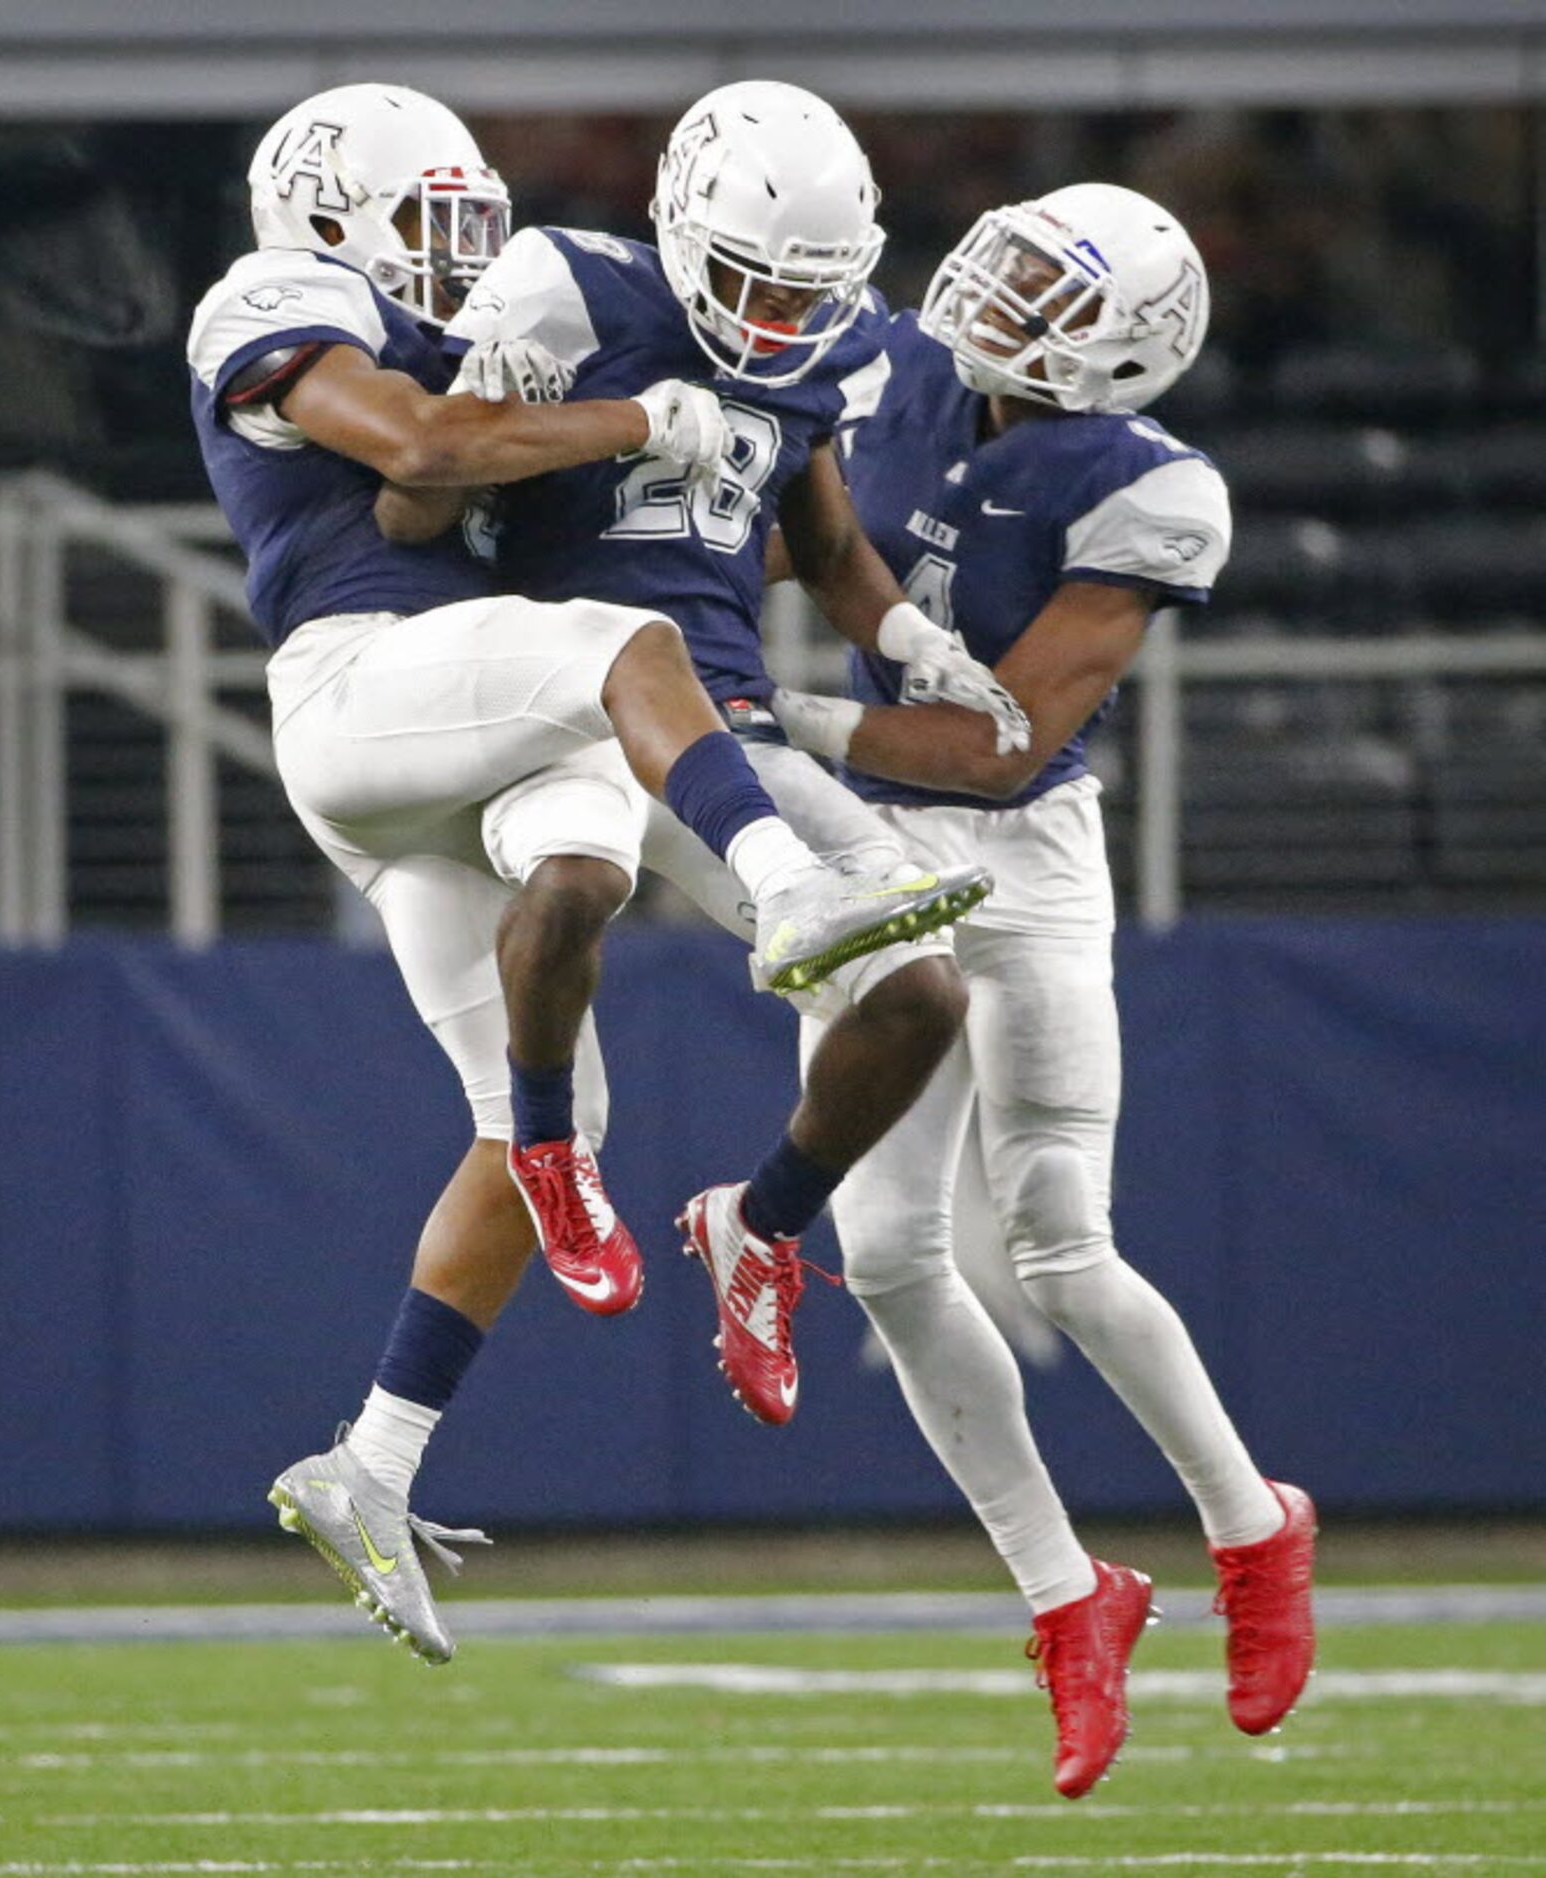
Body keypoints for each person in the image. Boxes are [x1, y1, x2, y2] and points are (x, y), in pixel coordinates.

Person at [189, 82, 990, 1665]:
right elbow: (422, 457)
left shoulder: (543, 321)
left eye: (469, 220)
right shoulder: (277, 302)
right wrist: (634, 416)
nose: (457, 251)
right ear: (326, 221)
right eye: (423, 223)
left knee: (555, 1022)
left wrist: (892, 622)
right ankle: (791, 886)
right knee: (620, 657)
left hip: (480, 723)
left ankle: (373, 1459)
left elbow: (703, 506)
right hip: (370, 688)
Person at [759, 183, 1317, 1798]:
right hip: (868, 844)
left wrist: (764, 718)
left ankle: (1250, 1526)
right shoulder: (890, 361)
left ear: (1120, 356)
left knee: (1063, 1234)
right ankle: (1073, 1597)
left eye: (1042, 294)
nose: (990, 296)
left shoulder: (1152, 491)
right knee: (883, 1249)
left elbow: (994, 739)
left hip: (1020, 842)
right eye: (1007, 263)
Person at [417, 81, 1029, 1431]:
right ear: (682, 223)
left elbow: (823, 543)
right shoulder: (565, 289)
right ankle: (545, 1145)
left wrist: (908, 639)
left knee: (924, 994)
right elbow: (427, 492)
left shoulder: (822, 349)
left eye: (807, 294)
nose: (778, 320)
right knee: (572, 888)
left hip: (721, 714)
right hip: (552, 696)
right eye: (753, 279)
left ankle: (760, 1227)